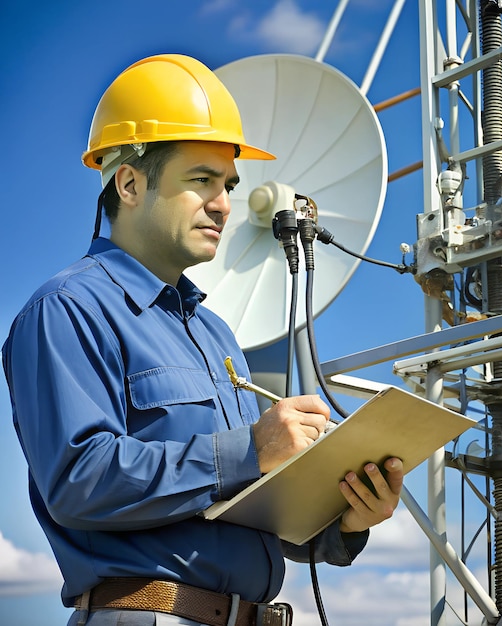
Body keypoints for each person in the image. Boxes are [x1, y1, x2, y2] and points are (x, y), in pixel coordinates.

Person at [2, 54, 404, 626]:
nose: (222, 203)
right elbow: (78, 480)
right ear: (130, 182)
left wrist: (344, 521)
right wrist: (249, 449)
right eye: (201, 181)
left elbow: (239, 503)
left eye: (228, 185)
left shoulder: (216, 334)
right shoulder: (67, 309)